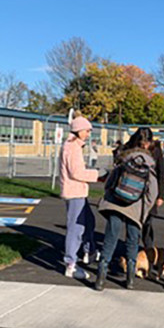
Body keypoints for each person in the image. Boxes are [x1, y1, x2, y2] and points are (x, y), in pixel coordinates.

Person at [95, 128, 158, 291]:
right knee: (132, 241)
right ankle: (130, 279)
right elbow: (153, 192)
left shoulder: (123, 158)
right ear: (148, 144)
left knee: (111, 238)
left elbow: (110, 182)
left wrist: (109, 196)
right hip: (135, 208)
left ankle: (100, 278)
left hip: (115, 203)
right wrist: (145, 208)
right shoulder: (149, 164)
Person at [60, 115, 99, 280]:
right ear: (79, 130)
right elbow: (76, 173)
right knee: (76, 229)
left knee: (89, 221)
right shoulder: (72, 148)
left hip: (78, 192)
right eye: (87, 130)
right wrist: (99, 174)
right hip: (74, 193)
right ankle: (71, 264)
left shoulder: (74, 146)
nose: (89, 133)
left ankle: (89, 251)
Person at [141, 139, 164, 250]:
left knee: (148, 222)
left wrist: (161, 195)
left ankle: (148, 248)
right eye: (142, 143)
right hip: (138, 191)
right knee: (134, 223)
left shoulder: (156, 152)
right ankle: (131, 251)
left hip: (152, 191)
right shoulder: (137, 151)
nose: (144, 145)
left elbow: (161, 173)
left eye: (146, 143)